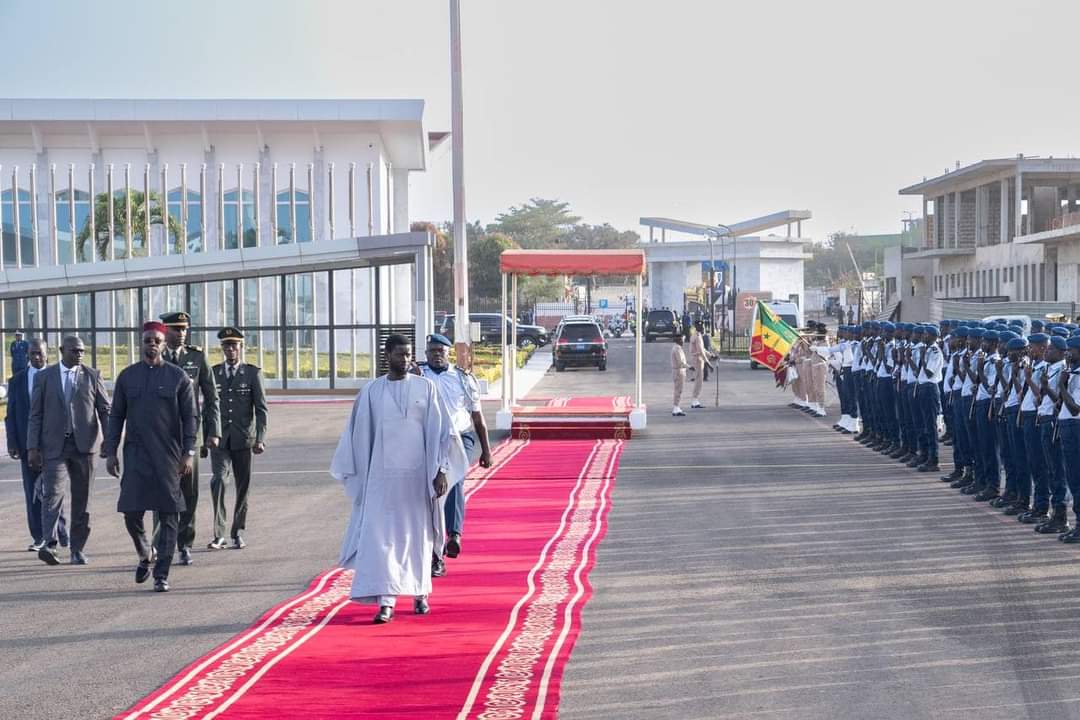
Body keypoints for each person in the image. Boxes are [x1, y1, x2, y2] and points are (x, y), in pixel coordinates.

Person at [331, 334, 457, 623]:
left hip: (418, 479)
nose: (406, 360)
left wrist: (441, 470)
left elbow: (442, 434)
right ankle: (385, 601)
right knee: (381, 539)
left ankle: (420, 594)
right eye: (401, 354)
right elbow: (357, 437)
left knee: (417, 537)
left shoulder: (425, 388)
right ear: (388, 355)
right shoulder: (372, 392)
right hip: (381, 481)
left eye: (410, 354)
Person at [104, 321, 198, 592]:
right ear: (141, 342)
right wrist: (111, 451)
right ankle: (146, 553)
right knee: (131, 512)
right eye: (148, 340)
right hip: (135, 456)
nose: (152, 344)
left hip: (168, 458)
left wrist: (188, 453)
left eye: (157, 340)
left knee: (169, 515)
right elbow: (116, 416)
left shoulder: (178, 377)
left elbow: (190, 419)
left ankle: (161, 574)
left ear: (164, 343)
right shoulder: (127, 377)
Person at [27, 335, 110, 566]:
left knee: (83, 501)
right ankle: (50, 545)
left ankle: (77, 549)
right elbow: (35, 415)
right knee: (51, 495)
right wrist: (32, 446)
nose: (80, 354)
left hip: (85, 448)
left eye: (82, 351)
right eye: (75, 351)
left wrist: (109, 440)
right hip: (55, 447)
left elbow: (105, 410)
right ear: (62, 350)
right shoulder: (44, 378)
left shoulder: (93, 376)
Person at [419, 333, 490, 577]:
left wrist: (486, 451)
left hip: (461, 438)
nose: (437, 355)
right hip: (427, 441)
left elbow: (477, 418)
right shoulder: (417, 376)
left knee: (454, 479)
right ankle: (434, 556)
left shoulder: (463, 379)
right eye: (432, 351)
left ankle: (454, 535)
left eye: (441, 351)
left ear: (449, 353)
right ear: (426, 353)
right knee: (430, 494)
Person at [158, 311, 220, 565]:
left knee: (188, 492)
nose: (181, 333)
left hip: (188, 436)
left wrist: (212, 432)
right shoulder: (156, 356)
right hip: (161, 435)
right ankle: (161, 544)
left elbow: (211, 396)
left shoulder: (197, 357)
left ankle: (184, 543)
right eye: (176, 329)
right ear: (165, 332)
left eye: (184, 329)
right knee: (160, 491)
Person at [207, 327, 268, 551]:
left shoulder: (252, 373)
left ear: (241, 348)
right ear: (222, 348)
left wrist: (260, 438)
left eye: (234, 345)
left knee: (243, 486)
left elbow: (261, 409)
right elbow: (207, 408)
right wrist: (207, 436)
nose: (230, 349)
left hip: (244, 439)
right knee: (218, 481)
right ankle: (219, 534)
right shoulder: (213, 373)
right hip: (219, 440)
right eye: (226, 346)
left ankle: (237, 531)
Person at [6, 338, 68, 551]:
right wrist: (12, 442)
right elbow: (11, 415)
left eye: (40, 353)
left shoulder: (56, 377)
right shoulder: (17, 381)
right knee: (32, 494)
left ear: (47, 354)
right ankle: (39, 536)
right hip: (26, 446)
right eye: (32, 354)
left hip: (53, 445)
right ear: (28, 356)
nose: (36, 357)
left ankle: (60, 532)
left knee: (54, 490)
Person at [688, 321, 710, 409]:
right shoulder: (697, 336)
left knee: (699, 380)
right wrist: (708, 362)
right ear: (698, 327)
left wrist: (711, 355)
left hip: (698, 359)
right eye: (702, 326)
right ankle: (694, 400)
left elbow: (703, 349)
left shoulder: (697, 335)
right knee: (698, 381)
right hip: (698, 359)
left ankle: (695, 400)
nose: (703, 328)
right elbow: (701, 351)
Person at [670, 333, 689, 416]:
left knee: (678, 390)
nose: (683, 341)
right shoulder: (677, 349)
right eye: (681, 340)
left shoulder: (678, 348)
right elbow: (681, 362)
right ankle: (675, 408)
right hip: (679, 371)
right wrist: (690, 367)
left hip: (679, 371)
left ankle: (677, 407)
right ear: (678, 340)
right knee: (678, 390)